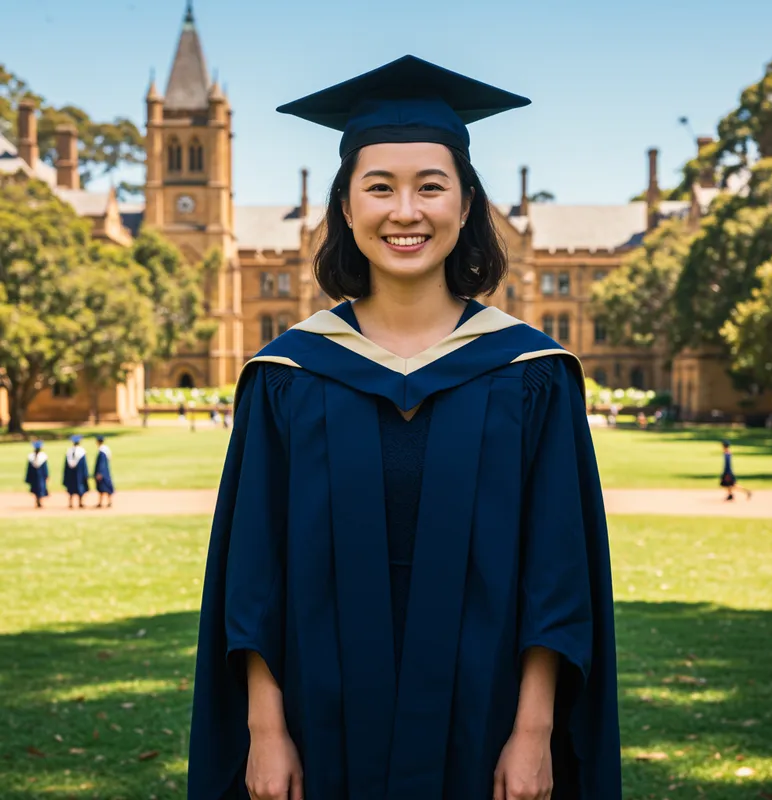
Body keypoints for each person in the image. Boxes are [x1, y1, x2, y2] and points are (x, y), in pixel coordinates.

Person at [189, 56, 620, 800]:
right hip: (319, 730)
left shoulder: (532, 374)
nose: (406, 211)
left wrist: (533, 733)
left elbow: (556, 571)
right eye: (380, 186)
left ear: (467, 203)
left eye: (431, 186)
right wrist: (265, 730)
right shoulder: (287, 376)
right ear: (345, 207)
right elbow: (253, 571)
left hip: (486, 728)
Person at [62, 434, 89, 509]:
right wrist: (86, 474)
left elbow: (66, 465)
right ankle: (80, 503)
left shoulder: (69, 451)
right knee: (80, 487)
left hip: (71, 474)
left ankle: (71, 503)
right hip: (79, 474)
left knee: (71, 488)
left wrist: (65, 474)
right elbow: (84, 465)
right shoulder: (81, 452)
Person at [25, 440, 49, 508]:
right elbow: (45, 468)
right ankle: (38, 501)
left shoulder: (40, 456)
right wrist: (46, 475)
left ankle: (38, 501)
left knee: (39, 488)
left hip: (36, 476)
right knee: (38, 488)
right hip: (39, 476)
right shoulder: (33, 456)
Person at [93, 435, 115, 508]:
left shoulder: (102, 451)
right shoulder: (106, 449)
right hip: (106, 471)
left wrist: (99, 473)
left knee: (103, 487)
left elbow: (101, 463)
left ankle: (105, 502)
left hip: (102, 472)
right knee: (105, 486)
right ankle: (107, 502)